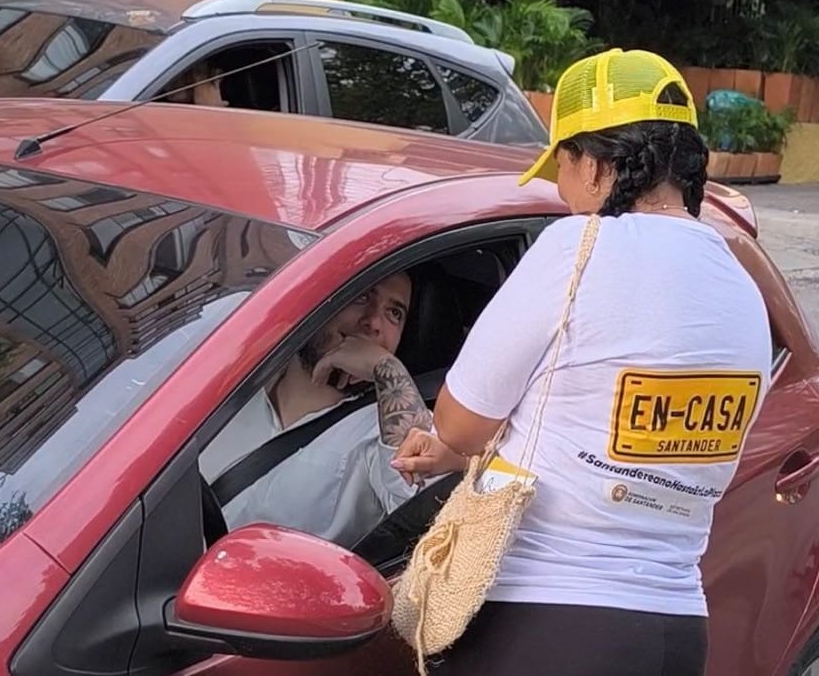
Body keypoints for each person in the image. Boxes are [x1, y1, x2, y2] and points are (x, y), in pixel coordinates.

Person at [387, 48, 774, 676]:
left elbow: (458, 422)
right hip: (676, 631)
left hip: (545, 624)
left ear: (593, 165)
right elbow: (632, 449)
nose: (562, 192)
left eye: (562, 167)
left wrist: (455, 444)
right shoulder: (741, 285)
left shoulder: (579, 247)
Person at [199, 270, 431, 548]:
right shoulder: (229, 382)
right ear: (318, 303)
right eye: (361, 297)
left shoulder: (384, 429)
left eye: (394, 313)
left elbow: (427, 501)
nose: (373, 322)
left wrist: (387, 369)